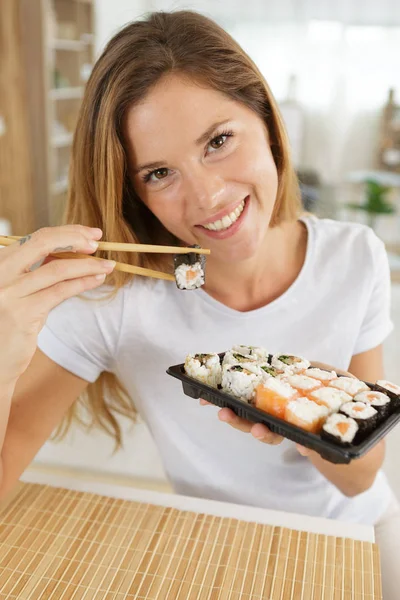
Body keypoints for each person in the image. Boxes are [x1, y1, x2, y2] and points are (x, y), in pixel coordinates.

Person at [1, 10, 399, 597]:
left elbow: (361, 478)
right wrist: (4, 353)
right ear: (131, 190)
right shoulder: (113, 299)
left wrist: (296, 409)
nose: (207, 196)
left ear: (265, 120)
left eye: (219, 141)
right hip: (215, 543)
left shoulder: (354, 256)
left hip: (353, 538)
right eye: (160, 173)